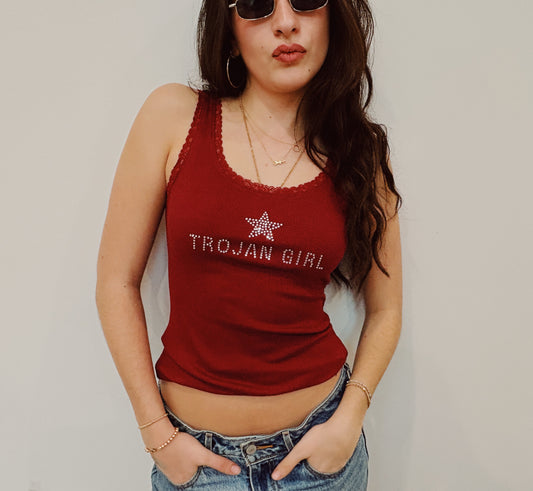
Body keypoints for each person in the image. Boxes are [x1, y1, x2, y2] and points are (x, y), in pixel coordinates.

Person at [95, 0, 403, 489]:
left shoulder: (358, 151)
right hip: (198, 465)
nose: (285, 22)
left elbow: (386, 310)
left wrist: (349, 419)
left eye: (306, 1)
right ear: (230, 32)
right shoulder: (174, 117)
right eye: (257, 5)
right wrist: (157, 435)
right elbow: (116, 282)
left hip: (320, 459)